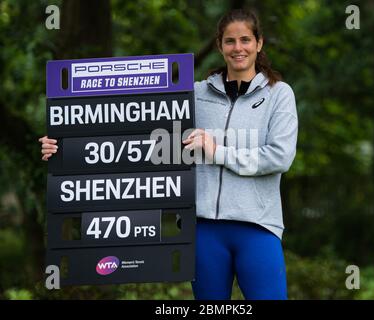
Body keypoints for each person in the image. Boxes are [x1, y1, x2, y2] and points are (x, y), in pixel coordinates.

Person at [39, 9, 298, 300]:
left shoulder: (278, 94)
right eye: (230, 41)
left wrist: (217, 151)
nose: (238, 48)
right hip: (203, 231)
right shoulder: (195, 94)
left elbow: (279, 156)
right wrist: (66, 145)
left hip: (257, 228)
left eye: (245, 40)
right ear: (219, 45)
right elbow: (132, 131)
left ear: (259, 43)